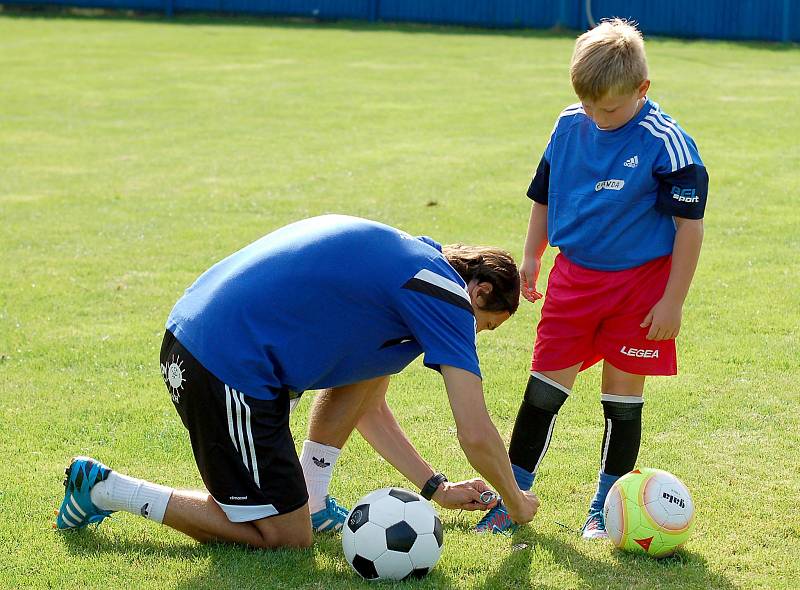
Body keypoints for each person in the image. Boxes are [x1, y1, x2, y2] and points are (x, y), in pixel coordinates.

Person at [56, 214, 540, 548]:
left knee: (373, 376)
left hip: (204, 342)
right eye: (484, 324)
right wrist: (516, 503)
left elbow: (367, 405)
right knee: (286, 539)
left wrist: (434, 488)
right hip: (221, 366)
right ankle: (104, 490)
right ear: (478, 292)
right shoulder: (444, 295)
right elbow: (474, 432)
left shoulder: (412, 264)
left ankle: (312, 500)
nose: (472, 334)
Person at [476, 19, 708, 537]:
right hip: (574, 281)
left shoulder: (666, 143)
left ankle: (608, 504)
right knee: (543, 390)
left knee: (621, 401)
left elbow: (689, 229)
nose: (596, 117)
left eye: (609, 108)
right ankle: (510, 496)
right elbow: (544, 193)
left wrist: (673, 302)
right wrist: (532, 256)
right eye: (587, 105)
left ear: (642, 89)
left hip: (640, 288)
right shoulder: (568, 125)